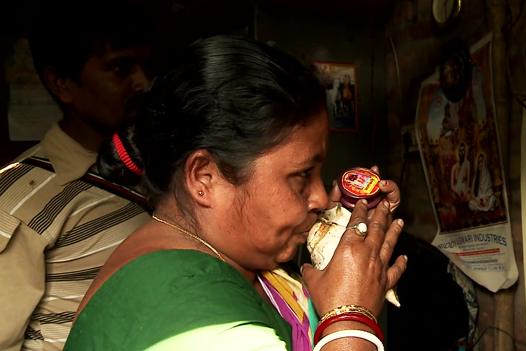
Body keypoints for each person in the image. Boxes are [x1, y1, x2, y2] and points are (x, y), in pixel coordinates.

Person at [64, 36, 407, 351]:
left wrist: (333, 236)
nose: (319, 197)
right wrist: (351, 317)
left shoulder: (194, 253)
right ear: (205, 177)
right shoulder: (199, 319)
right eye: (302, 175)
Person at [0, 1, 153, 350]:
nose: (143, 83)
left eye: (145, 65)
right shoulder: (17, 200)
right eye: (120, 68)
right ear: (62, 84)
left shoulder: (156, 170)